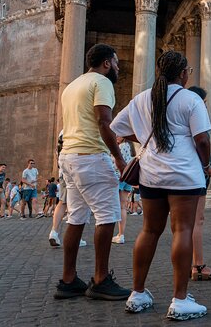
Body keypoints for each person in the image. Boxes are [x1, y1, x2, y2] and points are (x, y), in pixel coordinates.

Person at [111, 50, 211, 319]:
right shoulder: (191, 99)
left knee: (149, 231)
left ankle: (138, 293)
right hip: (184, 175)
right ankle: (179, 299)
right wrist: (206, 165)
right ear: (182, 73)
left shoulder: (141, 99)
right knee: (183, 231)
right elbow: (202, 140)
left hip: (151, 176)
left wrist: (144, 135)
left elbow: (115, 129)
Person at [54, 43, 129, 301]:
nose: (118, 68)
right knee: (107, 216)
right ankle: (100, 279)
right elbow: (103, 121)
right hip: (91, 157)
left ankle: (68, 279)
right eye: (116, 63)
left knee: (76, 217)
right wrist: (119, 158)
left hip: (69, 157)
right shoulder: (102, 82)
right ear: (106, 63)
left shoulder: (72, 86)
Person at [187, 85, 211, 282]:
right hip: (196, 173)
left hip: (179, 173)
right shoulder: (197, 116)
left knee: (183, 223)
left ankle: (187, 264)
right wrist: (207, 165)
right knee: (197, 220)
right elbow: (202, 141)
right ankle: (198, 265)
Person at [112, 137, 135, 244]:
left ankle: (113, 233)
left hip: (119, 177)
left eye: (118, 135)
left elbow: (117, 164)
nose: (116, 136)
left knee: (113, 206)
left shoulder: (121, 147)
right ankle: (121, 234)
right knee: (123, 207)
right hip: (128, 179)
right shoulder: (131, 148)